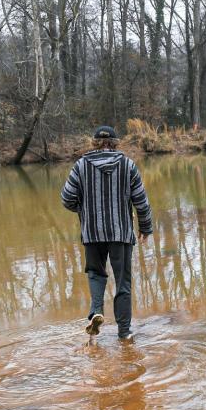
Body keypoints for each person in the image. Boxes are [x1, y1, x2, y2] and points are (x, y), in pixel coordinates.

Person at [61, 125, 153, 341]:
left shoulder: (81, 166)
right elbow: (141, 200)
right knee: (123, 283)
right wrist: (145, 227)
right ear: (115, 142)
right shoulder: (127, 165)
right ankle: (124, 333)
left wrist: (83, 211)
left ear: (94, 142)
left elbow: (66, 199)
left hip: (92, 233)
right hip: (120, 233)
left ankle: (96, 312)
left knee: (95, 273)